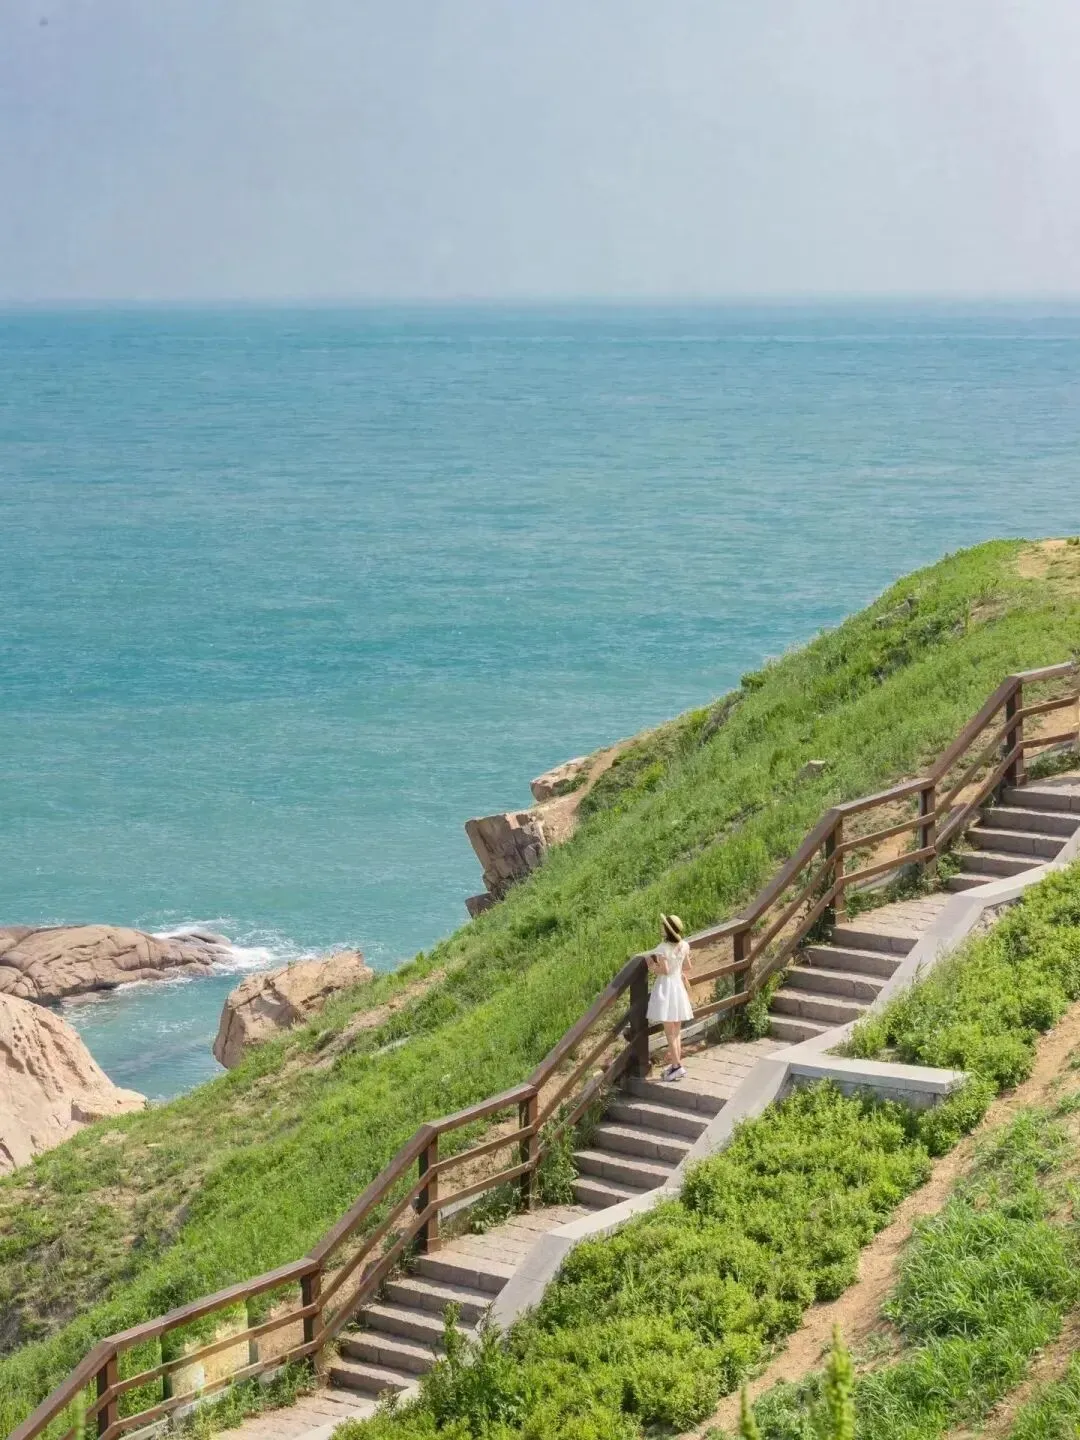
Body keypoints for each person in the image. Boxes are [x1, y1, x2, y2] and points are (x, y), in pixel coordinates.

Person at [646, 913, 694, 1081]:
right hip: (678, 987)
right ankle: (676, 1064)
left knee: (669, 1032)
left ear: (667, 930)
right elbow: (688, 966)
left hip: (666, 988)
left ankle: (677, 1066)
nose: (661, 927)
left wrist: (652, 966)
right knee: (677, 1030)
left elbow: (664, 970)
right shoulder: (684, 945)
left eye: (663, 925)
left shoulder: (662, 947)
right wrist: (676, 967)